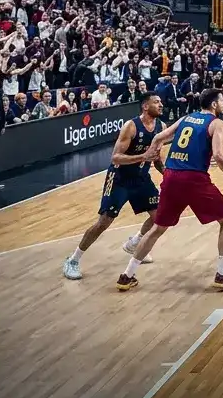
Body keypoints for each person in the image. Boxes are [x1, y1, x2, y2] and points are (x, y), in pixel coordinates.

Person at [119, 88, 223, 291]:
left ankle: (127, 275)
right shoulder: (217, 123)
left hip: (171, 175)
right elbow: (219, 155)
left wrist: (150, 155)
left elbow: (158, 138)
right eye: (222, 100)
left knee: (158, 228)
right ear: (214, 104)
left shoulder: (186, 118)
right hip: (194, 178)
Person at [63, 93, 165, 280]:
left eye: (160, 102)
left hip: (141, 178)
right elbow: (116, 157)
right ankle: (73, 260)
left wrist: (167, 174)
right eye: (156, 102)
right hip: (119, 178)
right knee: (104, 222)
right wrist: (143, 157)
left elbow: (156, 157)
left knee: (159, 216)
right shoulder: (131, 126)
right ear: (145, 106)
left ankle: (135, 243)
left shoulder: (161, 127)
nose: (161, 105)